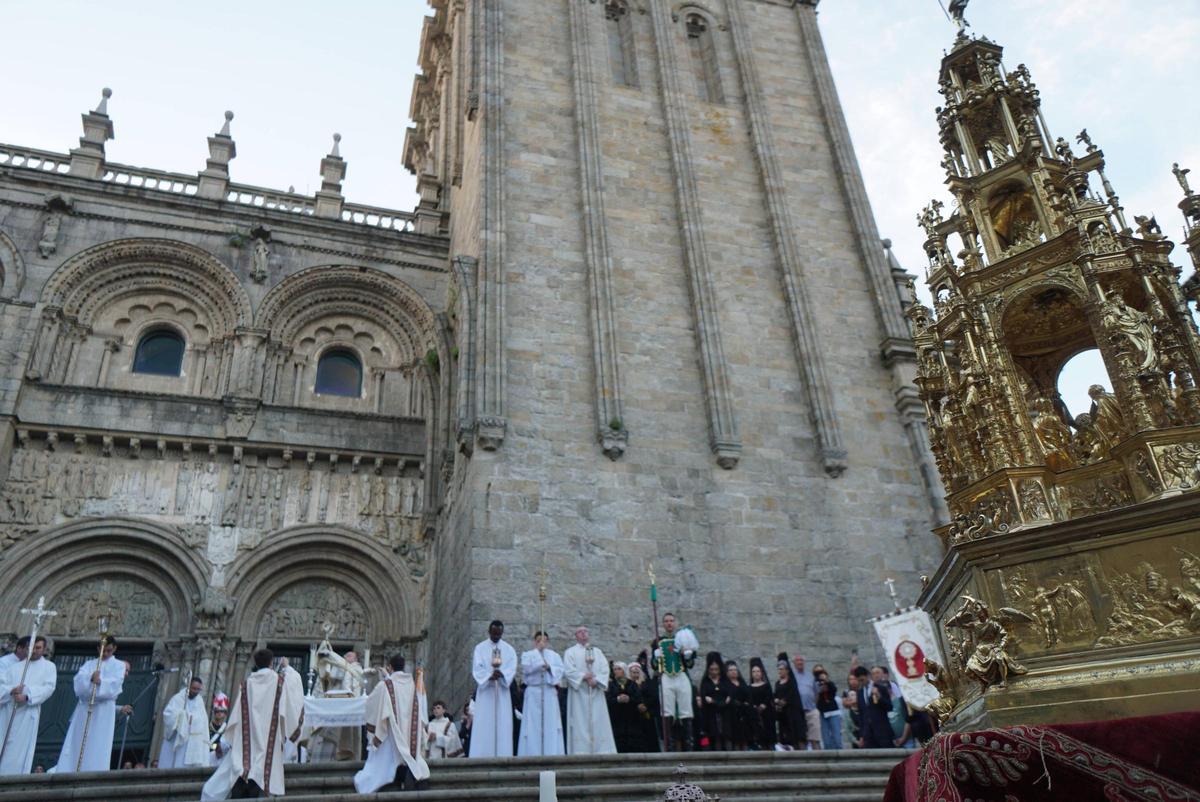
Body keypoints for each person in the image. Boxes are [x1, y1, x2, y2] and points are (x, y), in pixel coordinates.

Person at [201, 648, 305, 799]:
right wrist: (288, 667)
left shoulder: (246, 684)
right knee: (262, 775)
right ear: (271, 663)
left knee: (244, 769)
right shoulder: (280, 682)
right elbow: (293, 694)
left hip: (246, 742)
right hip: (269, 740)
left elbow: (235, 717)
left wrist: (228, 739)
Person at [354, 654, 429, 793]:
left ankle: (391, 778)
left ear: (390, 667)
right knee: (405, 755)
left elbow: (371, 703)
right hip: (408, 731)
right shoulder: (412, 684)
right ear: (403, 666)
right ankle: (404, 774)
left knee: (389, 756)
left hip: (390, 731)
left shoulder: (386, 685)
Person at [53, 636, 124, 773]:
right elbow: (78, 683)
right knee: (78, 741)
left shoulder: (119, 665)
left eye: (109, 651)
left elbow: (116, 684)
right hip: (85, 707)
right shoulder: (89, 664)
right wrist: (90, 678)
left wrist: (100, 681)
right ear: (98, 649)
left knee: (98, 742)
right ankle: (71, 769)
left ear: (114, 649)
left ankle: (94, 770)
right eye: (103, 650)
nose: (105, 654)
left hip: (103, 709)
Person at [0, 636, 56, 774]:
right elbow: (2, 687)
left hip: (27, 713)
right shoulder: (14, 667)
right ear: (25, 648)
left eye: (38, 648)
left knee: (19, 749)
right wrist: (11, 691)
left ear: (43, 649)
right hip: (8, 712)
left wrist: (27, 695)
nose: (34, 651)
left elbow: (48, 688)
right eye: (31, 647)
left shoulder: (49, 667)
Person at [563, 626, 616, 755]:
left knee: (598, 721)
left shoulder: (597, 652)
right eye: (580, 632)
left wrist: (596, 680)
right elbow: (568, 671)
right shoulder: (570, 652)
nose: (583, 634)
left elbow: (605, 669)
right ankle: (580, 751)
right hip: (579, 693)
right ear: (576, 635)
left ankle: (603, 751)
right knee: (579, 722)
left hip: (595, 692)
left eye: (586, 631)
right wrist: (583, 676)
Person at [468, 620, 517, 758]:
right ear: (489, 632)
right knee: (484, 722)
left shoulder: (509, 649)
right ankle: (481, 754)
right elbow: (477, 668)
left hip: (501, 691)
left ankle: (503, 753)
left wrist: (502, 674)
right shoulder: (480, 648)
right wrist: (489, 675)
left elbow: (511, 667)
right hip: (486, 691)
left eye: (499, 634)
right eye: (494, 634)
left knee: (502, 722)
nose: (496, 637)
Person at [654, 613, 697, 751]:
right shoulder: (658, 641)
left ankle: (688, 745)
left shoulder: (683, 638)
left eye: (671, 621)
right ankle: (669, 746)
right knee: (667, 710)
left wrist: (688, 655)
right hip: (666, 676)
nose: (669, 623)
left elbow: (690, 664)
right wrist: (656, 658)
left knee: (686, 710)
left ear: (675, 623)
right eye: (666, 621)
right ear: (663, 624)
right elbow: (654, 665)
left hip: (681, 674)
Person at [517, 631, 564, 756]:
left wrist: (549, 667)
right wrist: (538, 658)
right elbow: (526, 669)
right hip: (533, 691)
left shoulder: (554, 656)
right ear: (535, 641)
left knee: (550, 723)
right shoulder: (528, 655)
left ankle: (551, 752)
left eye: (544, 641)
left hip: (548, 691)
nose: (541, 643)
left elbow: (559, 672)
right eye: (538, 640)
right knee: (532, 725)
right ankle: (532, 752)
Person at [158, 676, 210, 768]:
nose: (196, 692)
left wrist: (192, 719)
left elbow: (203, 720)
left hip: (192, 741)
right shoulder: (178, 698)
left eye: (198, 689)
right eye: (194, 688)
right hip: (177, 739)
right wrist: (182, 717)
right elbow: (168, 714)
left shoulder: (200, 701)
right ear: (188, 686)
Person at [606, 662, 641, 753]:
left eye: (619, 669)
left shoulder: (632, 684)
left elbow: (638, 698)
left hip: (631, 716)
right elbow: (608, 699)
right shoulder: (611, 685)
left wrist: (629, 699)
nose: (616, 671)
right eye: (615, 669)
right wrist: (617, 699)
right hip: (617, 717)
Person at [855, 666, 893, 749]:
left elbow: (890, 707)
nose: (861, 682)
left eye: (862, 680)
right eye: (859, 681)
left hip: (882, 730)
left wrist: (879, 697)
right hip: (868, 734)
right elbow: (861, 715)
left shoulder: (881, 688)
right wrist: (861, 735)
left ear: (868, 676)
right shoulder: (860, 693)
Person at [788, 653, 821, 750]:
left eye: (801, 660)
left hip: (811, 710)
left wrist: (813, 704)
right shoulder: (791, 677)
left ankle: (819, 761)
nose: (800, 662)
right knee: (802, 739)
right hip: (798, 712)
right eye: (797, 660)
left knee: (815, 737)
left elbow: (817, 693)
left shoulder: (810, 676)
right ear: (794, 663)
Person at [627, 660, 660, 753]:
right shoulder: (628, 685)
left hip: (647, 712)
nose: (635, 674)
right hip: (633, 713)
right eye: (633, 672)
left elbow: (652, 696)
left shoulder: (646, 683)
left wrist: (645, 705)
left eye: (637, 672)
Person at [772, 657, 804, 750]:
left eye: (782, 669)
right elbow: (775, 695)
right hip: (782, 713)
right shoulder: (777, 683)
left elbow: (792, 695)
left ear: (787, 670)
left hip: (793, 712)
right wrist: (776, 700)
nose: (780, 671)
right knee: (785, 735)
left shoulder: (791, 682)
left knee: (796, 734)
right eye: (779, 669)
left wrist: (783, 701)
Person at [697, 653, 726, 751]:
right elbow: (704, 697)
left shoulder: (724, 681)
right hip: (709, 715)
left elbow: (727, 696)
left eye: (716, 669)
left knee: (723, 736)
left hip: (723, 713)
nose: (714, 671)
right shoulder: (705, 681)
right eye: (712, 669)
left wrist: (715, 701)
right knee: (707, 737)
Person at [747, 658, 775, 751]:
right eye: (754, 671)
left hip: (767, 713)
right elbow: (750, 699)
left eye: (758, 671)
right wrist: (754, 707)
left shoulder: (766, 686)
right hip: (756, 714)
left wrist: (764, 705)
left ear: (761, 672)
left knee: (769, 734)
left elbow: (769, 696)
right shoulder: (749, 687)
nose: (756, 673)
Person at [723, 661, 750, 751]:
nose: (734, 672)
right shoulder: (725, 685)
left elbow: (748, 697)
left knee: (744, 735)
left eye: (735, 670)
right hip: (731, 714)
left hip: (744, 714)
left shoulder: (742, 684)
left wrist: (745, 704)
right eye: (731, 670)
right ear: (727, 672)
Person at [814, 668, 843, 750]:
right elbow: (815, 695)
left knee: (837, 737)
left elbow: (834, 689)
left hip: (833, 712)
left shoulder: (830, 684)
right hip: (822, 713)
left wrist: (826, 681)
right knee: (826, 739)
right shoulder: (816, 685)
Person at [209, 693, 230, 768]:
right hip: (208, 759)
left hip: (222, 762)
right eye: (217, 711)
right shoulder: (208, 726)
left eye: (222, 711)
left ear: (225, 713)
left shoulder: (228, 729)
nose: (219, 713)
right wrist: (216, 747)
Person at [840, 674, 861, 749]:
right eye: (850, 679)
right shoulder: (846, 691)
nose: (852, 681)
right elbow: (844, 703)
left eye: (854, 679)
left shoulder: (861, 690)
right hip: (854, 734)